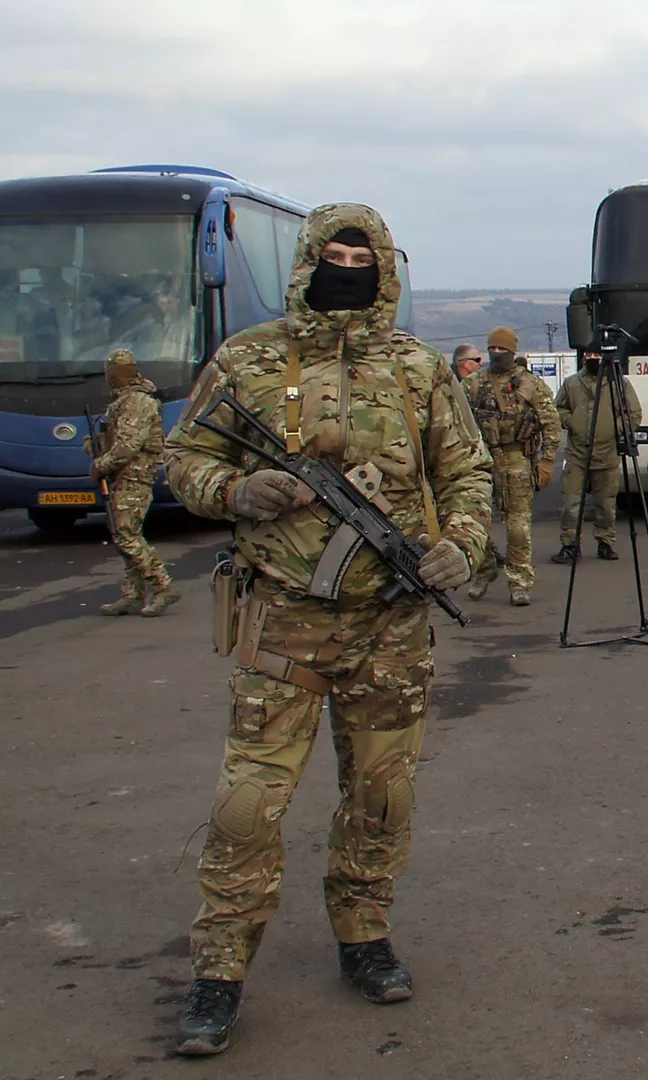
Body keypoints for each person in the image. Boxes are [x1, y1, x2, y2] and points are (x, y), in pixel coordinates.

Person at [161, 205, 491, 1056]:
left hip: (392, 627)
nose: (347, 267)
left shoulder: (418, 367)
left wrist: (460, 545)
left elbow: (466, 473)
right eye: (334, 254)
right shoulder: (250, 360)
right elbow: (183, 457)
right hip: (282, 623)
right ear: (308, 261)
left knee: (382, 797)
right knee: (246, 806)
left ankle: (364, 932)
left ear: (385, 269)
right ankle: (218, 970)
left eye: (362, 256)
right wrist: (237, 494)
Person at [464, 327, 561, 604]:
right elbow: (455, 419)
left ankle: (519, 581)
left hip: (517, 459)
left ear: (512, 351)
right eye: (492, 349)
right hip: (481, 461)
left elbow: (551, 424)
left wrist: (547, 459)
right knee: (474, 522)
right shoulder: (473, 384)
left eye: (501, 350)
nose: (496, 354)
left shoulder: (531, 385)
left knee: (517, 527)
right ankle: (485, 568)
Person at [89, 348, 177, 616]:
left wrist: (100, 465)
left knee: (127, 535)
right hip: (123, 476)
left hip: (134, 476)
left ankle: (162, 586)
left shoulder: (138, 401)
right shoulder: (123, 401)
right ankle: (133, 593)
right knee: (124, 534)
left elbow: (128, 446)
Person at [552, 349, 642, 563]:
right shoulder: (571, 383)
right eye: (590, 355)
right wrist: (572, 422)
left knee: (605, 504)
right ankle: (569, 544)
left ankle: (605, 542)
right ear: (584, 358)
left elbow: (634, 414)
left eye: (598, 355)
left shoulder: (619, 384)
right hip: (577, 453)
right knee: (571, 503)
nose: (593, 360)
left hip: (607, 452)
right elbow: (557, 408)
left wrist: (614, 428)